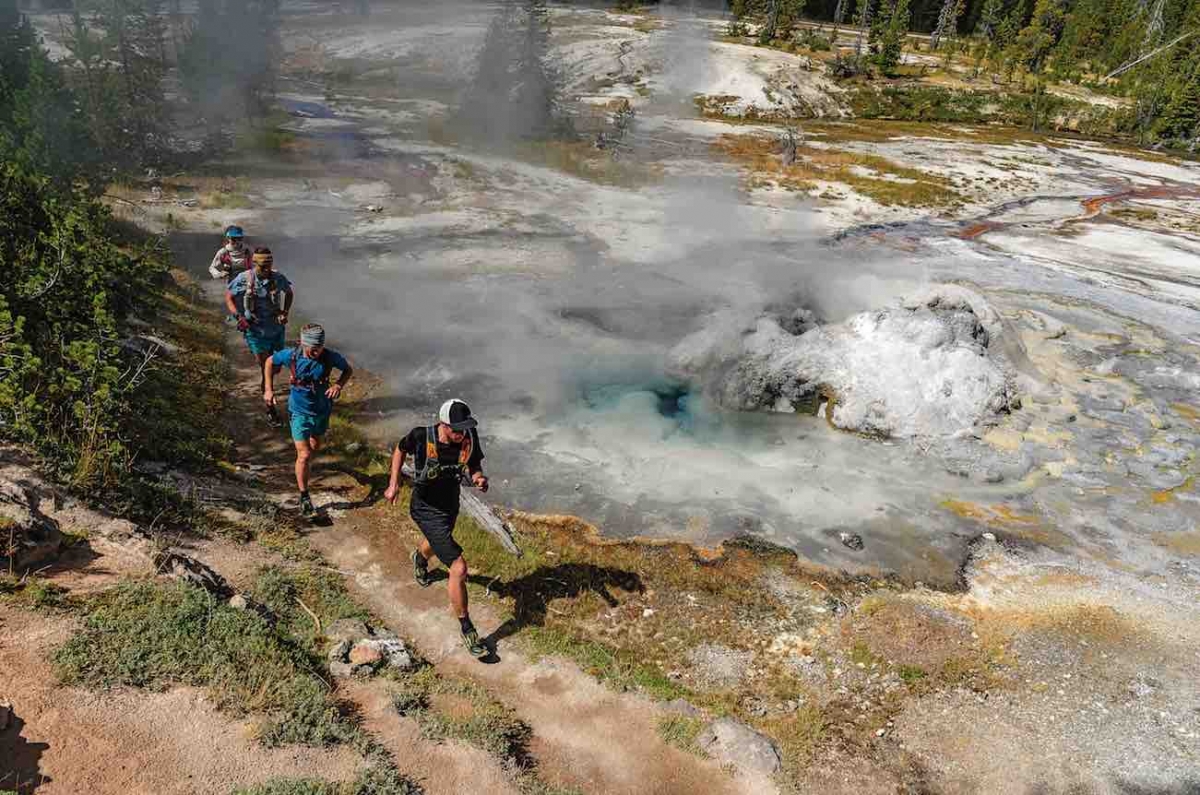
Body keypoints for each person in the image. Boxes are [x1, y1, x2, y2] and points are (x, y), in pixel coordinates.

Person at [384, 399, 490, 658]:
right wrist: (394, 484)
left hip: (449, 506)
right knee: (458, 567)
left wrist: (478, 478)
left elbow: (474, 463)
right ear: (443, 424)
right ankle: (467, 629)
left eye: (465, 428)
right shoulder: (422, 436)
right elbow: (399, 449)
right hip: (424, 509)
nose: (461, 433)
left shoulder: (468, 436)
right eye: (457, 429)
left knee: (438, 541)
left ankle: (419, 557)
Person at [264, 324, 352, 518]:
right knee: (304, 455)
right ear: (302, 343)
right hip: (298, 412)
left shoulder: (330, 357)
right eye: (312, 348)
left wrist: (338, 385)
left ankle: (305, 467)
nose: (315, 352)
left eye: (319, 348)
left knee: (314, 446)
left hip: (322, 410)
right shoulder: (291, 356)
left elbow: (347, 370)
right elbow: (270, 361)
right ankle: (304, 497)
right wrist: (268, 389)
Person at [226, 247, 294, 426]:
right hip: (255, 331)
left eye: (269, 265)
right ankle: (270, 409)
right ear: (254, 263)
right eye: (263, 265)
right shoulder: (244, 279)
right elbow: (229, 297)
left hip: (276, 329)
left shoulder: (277, 278)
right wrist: (239, 317)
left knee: (276, 367)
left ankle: (267, 387)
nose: (266, 269)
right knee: (267, 367)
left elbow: (289, 293)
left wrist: (284, 311)